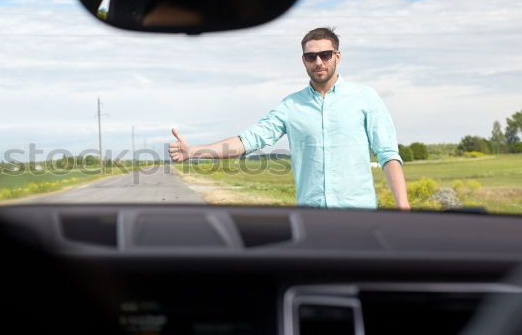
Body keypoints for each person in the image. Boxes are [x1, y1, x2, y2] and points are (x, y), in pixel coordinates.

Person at [169, 27, 410, 209]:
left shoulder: (365, 97)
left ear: (338, 56)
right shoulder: (290, 105)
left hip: (359, 217)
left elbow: (388, 154)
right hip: (311, 218)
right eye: (310, 56)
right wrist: (194, 152)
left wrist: (403, 206)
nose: (318, 62)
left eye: (325, 55)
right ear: (303, 60)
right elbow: (248, 140)